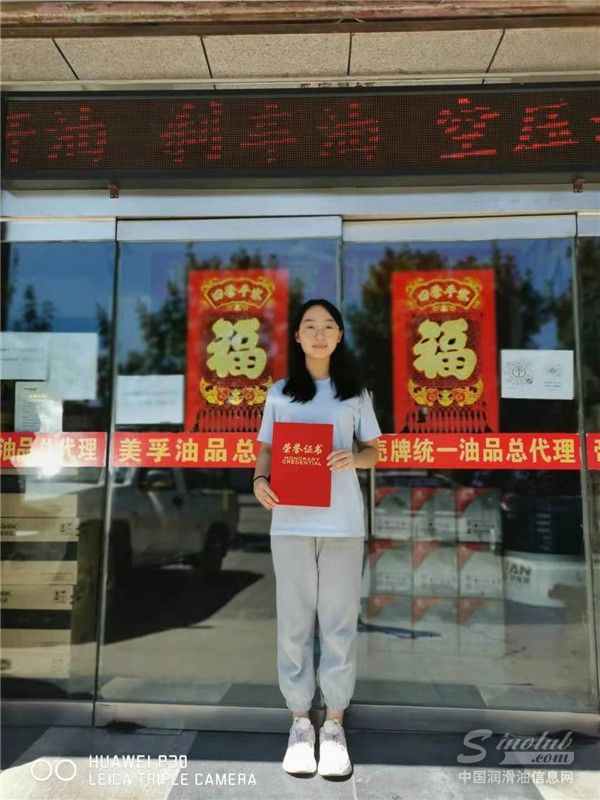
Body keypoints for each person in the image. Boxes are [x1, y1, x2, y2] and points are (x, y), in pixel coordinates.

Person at [253, 298, 381, 778]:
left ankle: (334, 724)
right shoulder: (280, 393)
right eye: (310, 326)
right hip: (290, 523)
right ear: (298, 337)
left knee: (339, 624)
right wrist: (258, 481)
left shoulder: (355, 393)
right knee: (293, 624)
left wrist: (353, 458)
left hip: (342, 524)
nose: (319, 333)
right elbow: (266, 449)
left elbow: (375, 450)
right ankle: (299, 723)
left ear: (340, 335)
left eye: (328, 326)